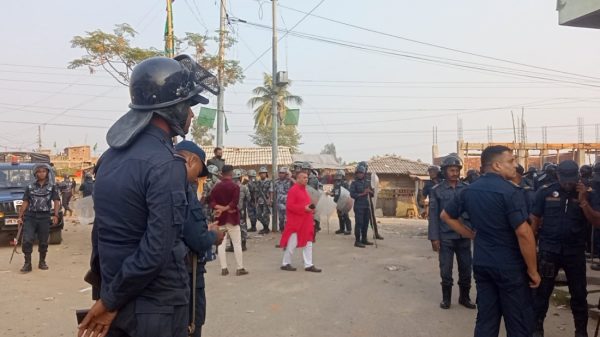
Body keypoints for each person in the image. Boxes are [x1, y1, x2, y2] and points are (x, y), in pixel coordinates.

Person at [78, 55, 219, 337]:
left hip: (117, 298)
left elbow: (100, 236)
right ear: (172, 106)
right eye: (189, 106)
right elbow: (156, 249)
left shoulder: (108, 158)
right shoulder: (166, 164)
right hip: (156, 307)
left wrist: (107, 296)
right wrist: (110, 300)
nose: (191, 114)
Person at [441, 145, 540, 337]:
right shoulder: (510, 192)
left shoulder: (469, 190)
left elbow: (446, 216)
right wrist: (533, 271)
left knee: (486, 320)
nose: (515, 165)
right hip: (510, 267)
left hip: (483, 263)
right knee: (518, 322)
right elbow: (524, 234)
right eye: (511, 161)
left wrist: (470, 234)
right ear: (496, 165)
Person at [530, 160, 600, 337]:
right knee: (542, 293)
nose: (568, 183)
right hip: (549, 250)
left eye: (572, 179)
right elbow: (534, 223)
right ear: (558, 176)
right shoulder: (545, 191)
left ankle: (581, 331)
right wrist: (531, 250)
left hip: (574, 252)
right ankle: (537, 329)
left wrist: (583, 201)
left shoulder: (589, 194)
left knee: (579, 295)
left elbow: (597, 222)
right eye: (565, 179)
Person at [175, 140, 225, 337]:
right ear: (191, 160)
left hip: (170, 273)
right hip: (187, 273)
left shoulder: (157, 181)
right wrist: (213, 235)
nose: (198, 178)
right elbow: (197, 239)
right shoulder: (183, 189)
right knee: (192, 323)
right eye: (199, 171)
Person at [428, 155, 475, 310]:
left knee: (466, 269)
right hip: (446, 236)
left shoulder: (467, 188)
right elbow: (433, 216)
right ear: (445, 171)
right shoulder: (437, 190)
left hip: (463, 236)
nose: (454, 173)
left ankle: (464, 297)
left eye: (456, 170)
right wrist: (434, 237)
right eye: (451, 170)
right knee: (446, 270)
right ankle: (446, 298)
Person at [17, 163, 61, 273]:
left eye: (44, 171)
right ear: (35, 173)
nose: (41, 173)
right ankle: (27, 264)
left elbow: (56, 201)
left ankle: (42, 262)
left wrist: (56, 215)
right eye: (39, 171)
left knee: (43, 241)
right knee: (27, 240)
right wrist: (20, 216)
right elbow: (25, 202)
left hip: (44, 217)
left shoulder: (52, 187)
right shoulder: (30, 187)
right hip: (30, 217)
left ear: (47, 173)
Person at [279, 172, 322, 273]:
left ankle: (308, 265)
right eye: (304, 178)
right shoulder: (293, 190)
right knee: (292, 243)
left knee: (308, 242)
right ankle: (285, 263)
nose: (306, 179)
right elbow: (290, 206)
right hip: (296, 222)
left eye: (307, 178)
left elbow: (306, 205)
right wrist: (304, 208)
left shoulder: (304, 190)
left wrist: (311, 210)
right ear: (298, 179)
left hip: (306, 222)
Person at [210, 165, 248, 276]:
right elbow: (234, 203)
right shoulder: (235, 186)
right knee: (237, 243)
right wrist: (226, 208)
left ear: (221, 173)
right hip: (232, 218)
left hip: (219, 218)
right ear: (231, 174)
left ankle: (224, 268)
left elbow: (211, 202)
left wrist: (219, 208)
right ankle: (240, 268)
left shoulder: (216, 187)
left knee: (221, 244)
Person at [350, 165, 373, 248]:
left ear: (364, 173)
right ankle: (357, 241)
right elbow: (352, 195)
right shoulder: (354, 183)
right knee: (359, 223)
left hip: (367, 206)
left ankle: (364, 239)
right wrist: (362, 193)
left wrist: (370, 191)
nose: (360, 174)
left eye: (361, 173)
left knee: (366, 224)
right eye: (358, 173)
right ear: (356, 174)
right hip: (359, 206)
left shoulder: (367, 182)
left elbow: (372, 194)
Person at [228, 168, 250, 252]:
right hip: (241, 210)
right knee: (242, 227)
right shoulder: (244, 187)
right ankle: (243, 245)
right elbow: (248, 198)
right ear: (240, 178)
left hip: (232, 210)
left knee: (231, 226)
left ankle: (232, 246)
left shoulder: (229, 187)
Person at [273, 167, 294, 232]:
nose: (281, 174)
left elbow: (297, 185)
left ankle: (287, 229)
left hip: (288, 202)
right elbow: (274, 191)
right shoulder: (276, 182)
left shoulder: (290, 181)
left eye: (283, 173)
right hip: (279, 202)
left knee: (287, 217)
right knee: (281, 217)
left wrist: (290, 177)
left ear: (286, 174)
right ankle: (281, 228)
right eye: (280, 173)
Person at [332, 170, 352, 235]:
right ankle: (342, 229)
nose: (338, 177)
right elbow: (334, 192)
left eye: (339, 175)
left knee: (345, 215)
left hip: (344, 202)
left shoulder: (345, 183)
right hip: (338, 202)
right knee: (340, 216)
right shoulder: (335, 184)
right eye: (337, 175)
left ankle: (349, 229)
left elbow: (348, 193)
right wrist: (330, 193)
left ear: (343, 176)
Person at [256, 166, 272, 234]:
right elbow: (256, 192)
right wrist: (256, 200)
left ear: (266, 174)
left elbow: (271, 191)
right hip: (259, 200)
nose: (262, 174)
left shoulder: (269, 182)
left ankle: (266, 228)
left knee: (266, 215)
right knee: (258, 215)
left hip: (266, 200)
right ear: (259, 174)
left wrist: (270, 200)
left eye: (264, 173)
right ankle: (265, 227)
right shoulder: (258, 182)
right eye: (261, 173)